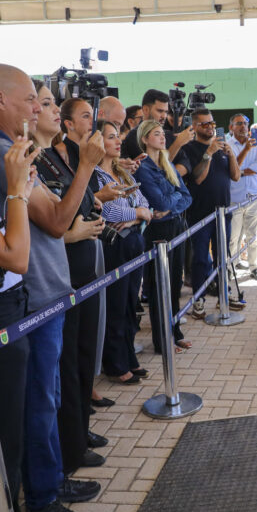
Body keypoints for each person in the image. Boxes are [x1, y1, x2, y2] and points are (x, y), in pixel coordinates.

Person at [0, 64, 103, 512]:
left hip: (37, 293)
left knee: (46, 397)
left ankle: (49, 484)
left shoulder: (13, 151)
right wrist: (87, 166)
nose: (38, 109)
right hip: (27, 299)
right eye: (31, 101)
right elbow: (57, 223)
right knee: (36, 404)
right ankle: (39, 500)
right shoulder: (1, 152)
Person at [35, 85, 108, 485]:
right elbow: (57, 221)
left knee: (81, 357)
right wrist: (72, 233)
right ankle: (68, 449)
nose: (46, 109)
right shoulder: (36, 159)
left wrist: (91, 203)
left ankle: (79, 433)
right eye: (43, 103)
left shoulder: (60, 157)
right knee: (61, 371)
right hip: (58, 275)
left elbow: (77, 203)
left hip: (79, 270)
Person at [0, 134, 52, 512]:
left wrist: (22, 190)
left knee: (7, 448)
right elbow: (17, 256)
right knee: (3, 451)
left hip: (8, 312)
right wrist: (16, 191)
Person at [93, 120, 152, 383]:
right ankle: (115, 364)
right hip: (114, 246)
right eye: (111, 137)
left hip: (134, 242)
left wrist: (135, 216)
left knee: (130, 304)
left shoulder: (122, 172)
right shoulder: (95, 175)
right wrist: (137, 213)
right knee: (116, 305)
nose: (118, 141)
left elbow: (146, 205)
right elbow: (107, 211)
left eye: (118, 136)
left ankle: (129, 356)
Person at [134, 120, 192, 353]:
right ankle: (162, 340)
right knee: (160, 286)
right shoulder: (143, 168)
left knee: (175, 283)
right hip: (158, 232)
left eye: (162, 134)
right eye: (156, 134)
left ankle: (175, 332)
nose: (162, 137)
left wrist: (171, 206)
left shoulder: (166, 162)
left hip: (176, 226)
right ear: (145, 139)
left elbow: (186, 196)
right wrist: (171, 203)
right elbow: (160, 203)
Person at [184, 108, 241, 320]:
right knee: (200, 258)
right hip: (200, 214)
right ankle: (198, 299)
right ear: (195, 126)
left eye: (212, 123)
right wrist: (208, 153)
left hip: (223, 212)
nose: (210, 127)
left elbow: (236, 176)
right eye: (205, 124)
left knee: (222, 257)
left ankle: (223, 294)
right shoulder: (190, 149)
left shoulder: (222, 147)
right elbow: (198, 178)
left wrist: (231, 155)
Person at [227, 114, 257, 281]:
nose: (243, 126)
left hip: (253, 196)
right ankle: (230, 267)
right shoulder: (227, 145)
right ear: (231, 127)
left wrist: (239, 172)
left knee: (253, 235)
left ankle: (255, 267)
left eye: (245, 123)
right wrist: (244, 158)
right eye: (239, 123)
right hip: (234, 198)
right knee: (233, 237)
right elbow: (230, 169)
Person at [121, 88, 192, 177]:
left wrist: (168, 179)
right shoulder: (135, 136)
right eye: (160, 111)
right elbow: (151, 168)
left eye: (166, 112)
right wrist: (177, 144)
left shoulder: (168, 135)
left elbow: (186, 164)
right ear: (146, 110)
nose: (164, 116)